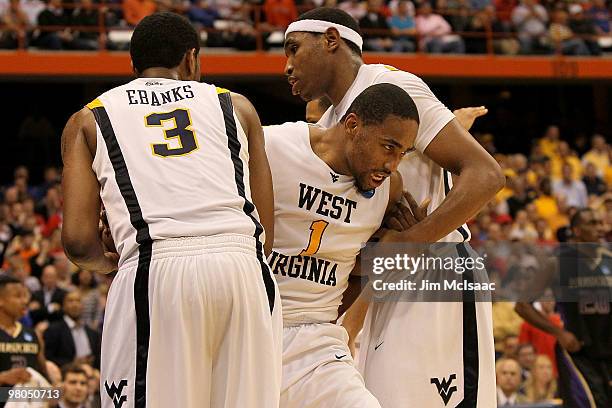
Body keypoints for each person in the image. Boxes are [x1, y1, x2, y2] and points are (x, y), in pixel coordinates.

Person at [283, 7, 503, 407]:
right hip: (383, 281)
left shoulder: (393, 84)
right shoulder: (335, 119)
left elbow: (486, 174)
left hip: (436, 269)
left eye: (294, 49)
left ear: (331, 40)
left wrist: (411, 239)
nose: (288, 65)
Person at [60, 12, 281, 408]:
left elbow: (77, 242)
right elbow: (267, 232)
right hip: (244, 268)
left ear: (133, 67)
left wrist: (108, 261)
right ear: (192, 59)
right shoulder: (239, 107)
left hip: (156, 268)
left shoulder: (89, 119)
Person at [265, 83, 419, 407]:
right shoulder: (272, 147)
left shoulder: (388, 189)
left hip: (318, 341)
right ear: (352, 125)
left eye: (403, 153)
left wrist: (398, 248)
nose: (392, 164)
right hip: (254, 326)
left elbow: (360, 271)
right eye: (388, 147)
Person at [515, 208, 611, 408]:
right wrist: (558, 332)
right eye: (592, 223)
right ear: (576, 230)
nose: (600, 228)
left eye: (601, 223)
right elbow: (522, 306)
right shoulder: (557, 261)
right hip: (579, 353)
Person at [0, 275, 48, 387]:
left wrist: (56, 392)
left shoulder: (34, 334)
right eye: (18, 296)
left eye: (25, 296)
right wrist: (3, 378)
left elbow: (44, 375)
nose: (25, 301)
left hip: (27, 400)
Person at [43, 291, 101, 369]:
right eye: (70, 301)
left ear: (83, 306)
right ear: (63, 306)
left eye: (78, 301)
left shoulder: (93, 333)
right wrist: (72, 363)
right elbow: (48, 358)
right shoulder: (53, 330)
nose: (75, 305)